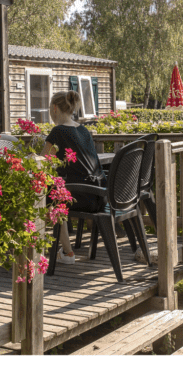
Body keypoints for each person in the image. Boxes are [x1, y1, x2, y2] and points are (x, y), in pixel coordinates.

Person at [42, 90, 105, 266]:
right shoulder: (83, 130)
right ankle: (62, 249)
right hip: (98, 195)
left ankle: (66, 252)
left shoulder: (58, 132)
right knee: (56, 191)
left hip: (79, 196)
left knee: (47, 194)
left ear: (54, 108)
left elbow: (42, 162)